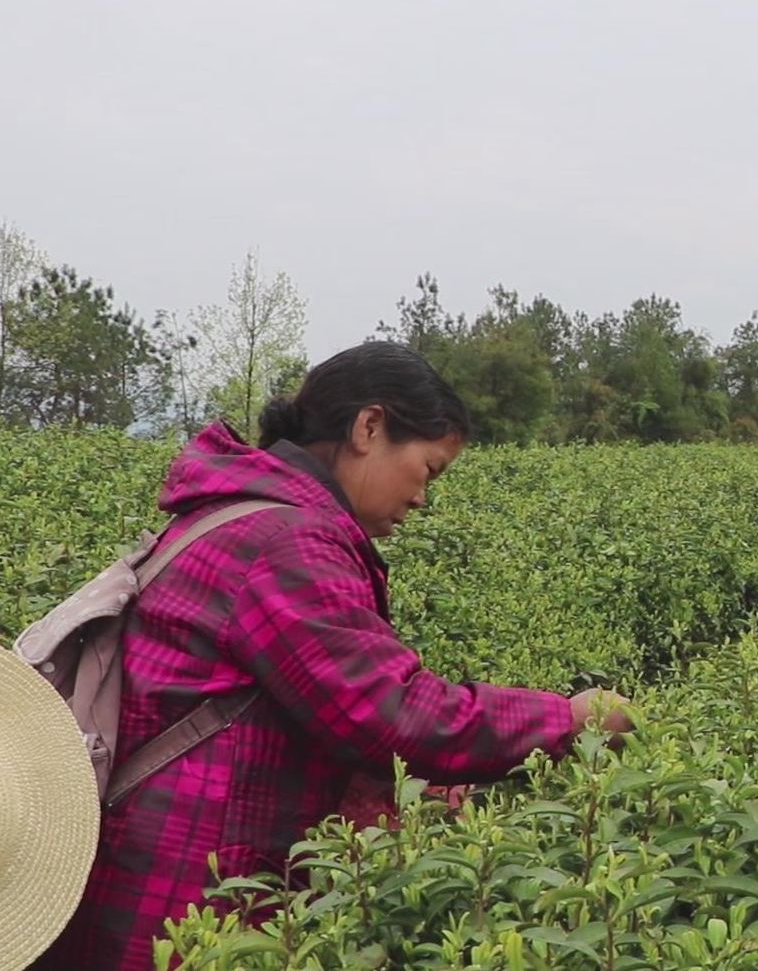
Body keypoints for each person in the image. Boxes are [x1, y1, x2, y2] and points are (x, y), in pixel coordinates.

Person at [38, 343, 633, 969]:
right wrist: (569, 721)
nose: (424, 498)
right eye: (428, 469)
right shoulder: (285, 540)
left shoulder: (233, 513)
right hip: (193, 905)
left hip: (152, 874)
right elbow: (391, 712)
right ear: (369, 427)